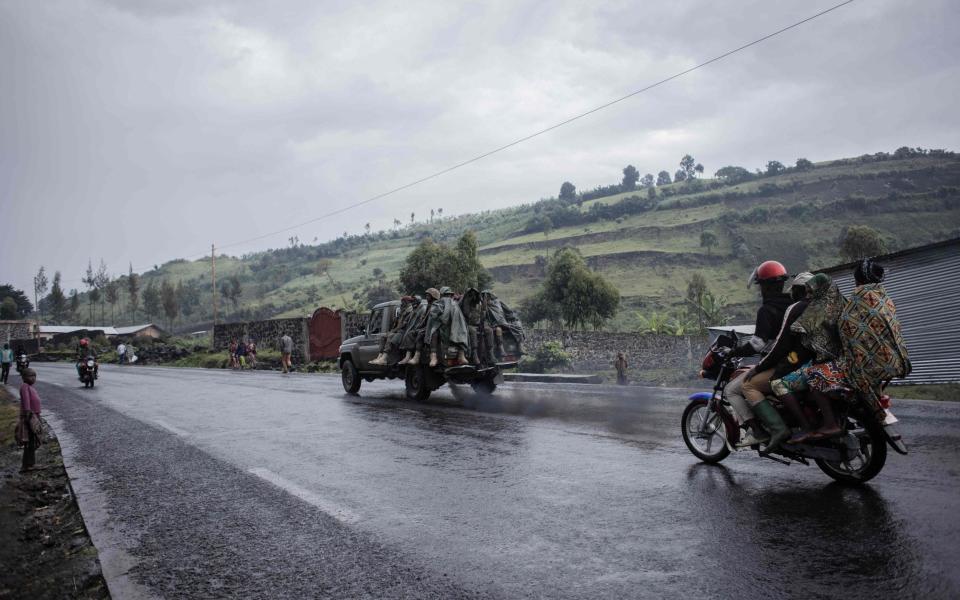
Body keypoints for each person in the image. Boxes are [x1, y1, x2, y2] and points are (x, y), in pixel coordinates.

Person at [723, 260, 794, 448]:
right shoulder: (791, 304)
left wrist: (734, 352)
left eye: (761, 286)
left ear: (766, 287)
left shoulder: (766, 310)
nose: (760, 290)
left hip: (776, 365)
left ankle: (758, 431)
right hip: (794, 361)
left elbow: (757, 344)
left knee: (732, 390)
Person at [836, 258, 910, 425]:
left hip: (870, 367)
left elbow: (845, 329)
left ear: (858, 280)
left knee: (819, 378)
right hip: (895, 361)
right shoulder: (884, 298)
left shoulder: (858, 300)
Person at [425, 286, 470, 367]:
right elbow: (434, 315)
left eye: (449, 295)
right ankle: (433, 356)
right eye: (446, 295)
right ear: (442, 296)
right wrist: (440, 313)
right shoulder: (437, 304)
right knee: (434, 333)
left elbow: (460, 319)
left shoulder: (455, 304)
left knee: (463, 332)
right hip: (440, 326)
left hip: (454, 327)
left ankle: (461, 354)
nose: (448, 297)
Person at [371, 296, 415, 366]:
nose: (401, 303)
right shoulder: (402, 311)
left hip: (403, 332)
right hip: (399, 331)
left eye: (403, 302)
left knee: (390, 336)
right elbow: (397, 323)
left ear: (407, 302)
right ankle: (380, 356)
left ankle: (384, 358)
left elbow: (403, 325)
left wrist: (393, 331)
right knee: (383, 337)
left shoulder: (409, 311)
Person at [482, 290, 525, 358]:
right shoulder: (483, 306)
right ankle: (501, 349)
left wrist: (513, 318)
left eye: (487, 295)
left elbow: (508, 312)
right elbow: (483, 317)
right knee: (498, 330)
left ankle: (520, 346)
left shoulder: (498, 302)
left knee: (518, 325)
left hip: (504, 322)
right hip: (493, 324)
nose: (486, 297)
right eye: (484, 296)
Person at [19, 368, 42, 473]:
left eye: (34, 376)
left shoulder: (29, 387)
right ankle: (27, 465)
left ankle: (30, 463)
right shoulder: (25, 387)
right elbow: (26, 400)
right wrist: (28, 413)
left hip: (34, 416)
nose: (33, 378)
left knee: (32, 441)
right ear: (24, 378)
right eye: (30, 376)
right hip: (30, 417)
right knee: (30, 441)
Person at [397, 295, 431, 365]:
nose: (412, 303)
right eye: (411, 301)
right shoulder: (413, 310)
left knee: (410, 334)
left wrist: (416, 329)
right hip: (411, 329)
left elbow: (422, 322)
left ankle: (409, 356)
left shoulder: (422, 309)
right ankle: (406, 356)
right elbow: (406, 322)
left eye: (413, 301)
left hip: (418, 329)